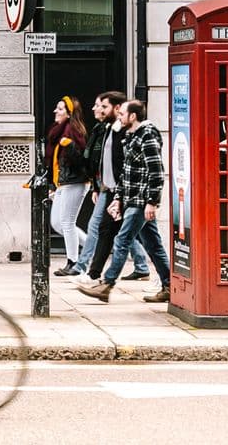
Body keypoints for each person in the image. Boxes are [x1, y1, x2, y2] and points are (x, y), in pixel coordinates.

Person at [78, 100, 171, 303]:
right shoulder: (130, 136)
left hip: (140, 201)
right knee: (153, 244)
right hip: (131, 199)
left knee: (121, 240)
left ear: (133, 116)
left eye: (123, 114)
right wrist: (118, 199)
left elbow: (156, 172)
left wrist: (152, 202)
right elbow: (126, 173)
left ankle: (107, 285)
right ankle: (169, 285)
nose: (119, 116)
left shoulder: (147, 136)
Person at [71, 91, 150, 282]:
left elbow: (139, 168)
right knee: (118, 233)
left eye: (103, 106)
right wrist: (98, 187)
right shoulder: (108, 129)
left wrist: (124, 195)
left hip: (125, 193)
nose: (98, 109)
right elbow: (102, 162)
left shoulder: (131, 134)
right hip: (111, 190)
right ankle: (145, 270)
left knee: (113, 233)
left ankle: (97, 275)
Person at [45, 95, 89, 276]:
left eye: (61, 109)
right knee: (57, 223)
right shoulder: (58, 131)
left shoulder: (74, 131)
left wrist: (70, 146)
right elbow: (54, 163)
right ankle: (92, 246)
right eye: (57, 108)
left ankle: (74, 262)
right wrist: (53, 185)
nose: (56, 111)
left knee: (67, 223)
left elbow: (81, 159)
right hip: (62, 183)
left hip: (75, 182)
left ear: (70, 113)